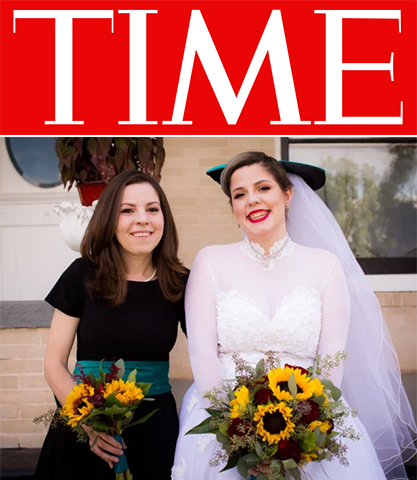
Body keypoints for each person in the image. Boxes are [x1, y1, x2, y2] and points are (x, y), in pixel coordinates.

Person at [172, 152, 416, 480]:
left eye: (263, 188)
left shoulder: (324, 265)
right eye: (239, 194)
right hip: (224, 418)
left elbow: (331, 357)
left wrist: (304, 429)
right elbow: (201, 351)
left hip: (309, 413)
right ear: (232, 207)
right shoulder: (211, 261)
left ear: (287, 195)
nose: (252, 200)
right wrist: (235, 429)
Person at [35, 170, 188, 480]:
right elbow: (53, 364)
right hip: (84, 426)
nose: (142, 219)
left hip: (155, 429)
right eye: (127, 210)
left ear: (164, 218)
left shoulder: (181, 283)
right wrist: (89, 424)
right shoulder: (82, 275)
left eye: (152, 209)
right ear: (109, 218)